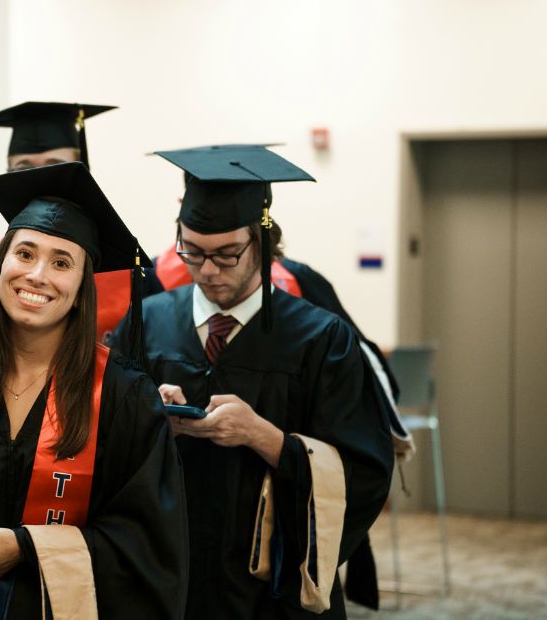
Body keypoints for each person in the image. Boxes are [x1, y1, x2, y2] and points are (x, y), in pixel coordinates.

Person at [112, 144, 394, 619]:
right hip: (170, 579)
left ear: (262, 241)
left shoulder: (321, 339)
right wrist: (146, 415)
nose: (207, 270)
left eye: (227, 254)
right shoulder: (146, 323)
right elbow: (100, 443)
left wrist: (265, 438)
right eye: (192, 251)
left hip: (272, 588)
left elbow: (363, 474)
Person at [0, 162, 188, 619]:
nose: (37, 275)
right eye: (24, 254)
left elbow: (150, 549)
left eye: (61, 262)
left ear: (81, 289)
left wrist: (26, 549)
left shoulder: (123, 397)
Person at [0, 101, 163, 386]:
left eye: (55, 167)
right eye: (22, 169)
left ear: (84, 171)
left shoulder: (132, 277)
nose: (38, 180)